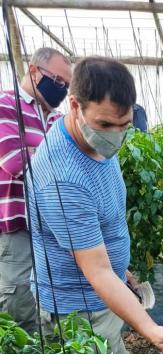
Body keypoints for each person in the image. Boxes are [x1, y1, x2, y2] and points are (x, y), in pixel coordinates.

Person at [27, 57, 163, 354]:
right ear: (74, 107)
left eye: (124, 124)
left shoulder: (97, 142)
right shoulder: (61, 175)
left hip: (103, 293)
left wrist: (124, 272)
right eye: (106, 124)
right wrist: (149, 327)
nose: (115, 135)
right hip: (78, 310)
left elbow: (104, 231)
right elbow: (95, 271)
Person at [0, 47, 72, 333]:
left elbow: (68, 166)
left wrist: (37, 151)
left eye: (66, 85)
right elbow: (14, 161)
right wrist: (53, 155)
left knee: (50, 302)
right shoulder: (5, 105)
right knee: (18, 304)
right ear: (33, 71)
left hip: (50, 227)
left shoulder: (56, 118)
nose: (62, 90)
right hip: (16, 227)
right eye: (57, 82)